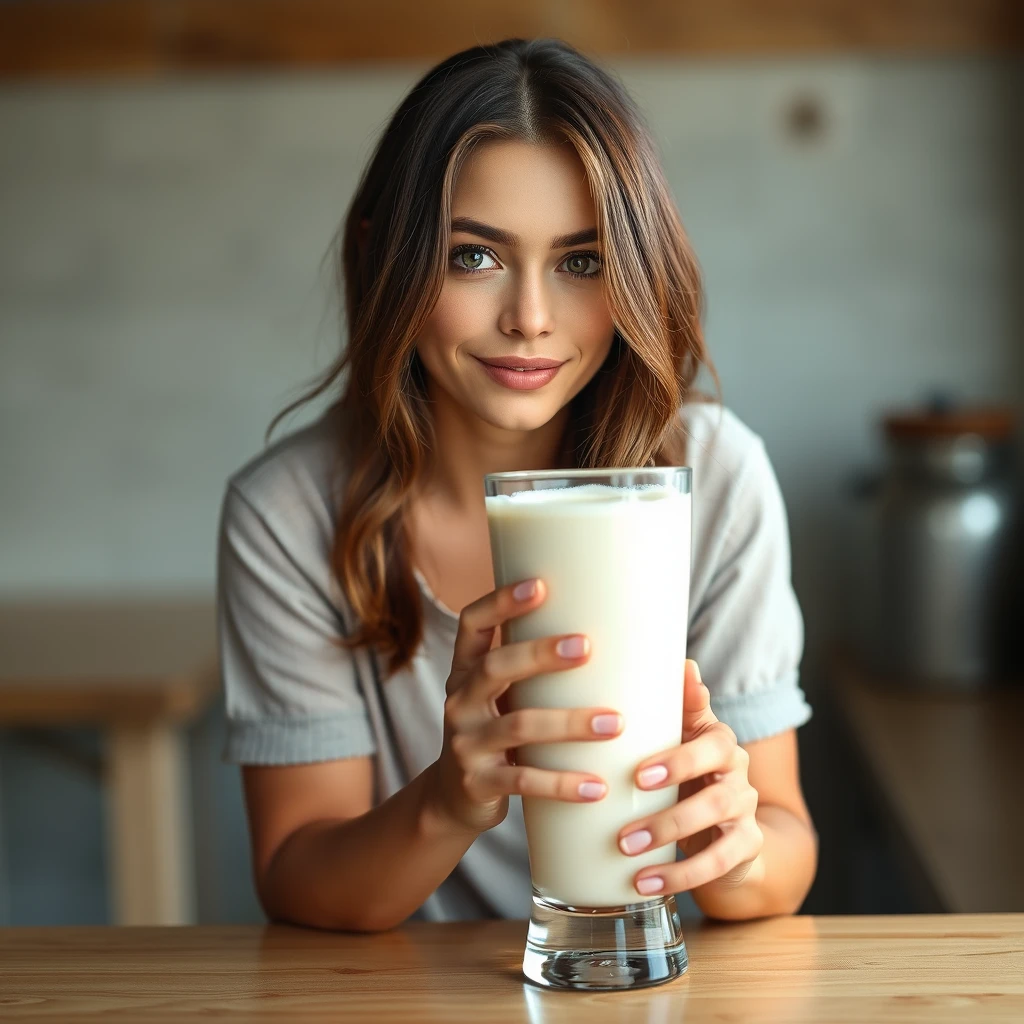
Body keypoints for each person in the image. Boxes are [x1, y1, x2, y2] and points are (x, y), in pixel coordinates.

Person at [217, 38, 816, 932]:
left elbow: (784, 852)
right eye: (474, 257)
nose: (530, 319)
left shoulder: (715, 480)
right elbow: (297, 872)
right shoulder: (289, 515)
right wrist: (450, 798)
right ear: (385, 257)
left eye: (581, 262)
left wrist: (729, 840)